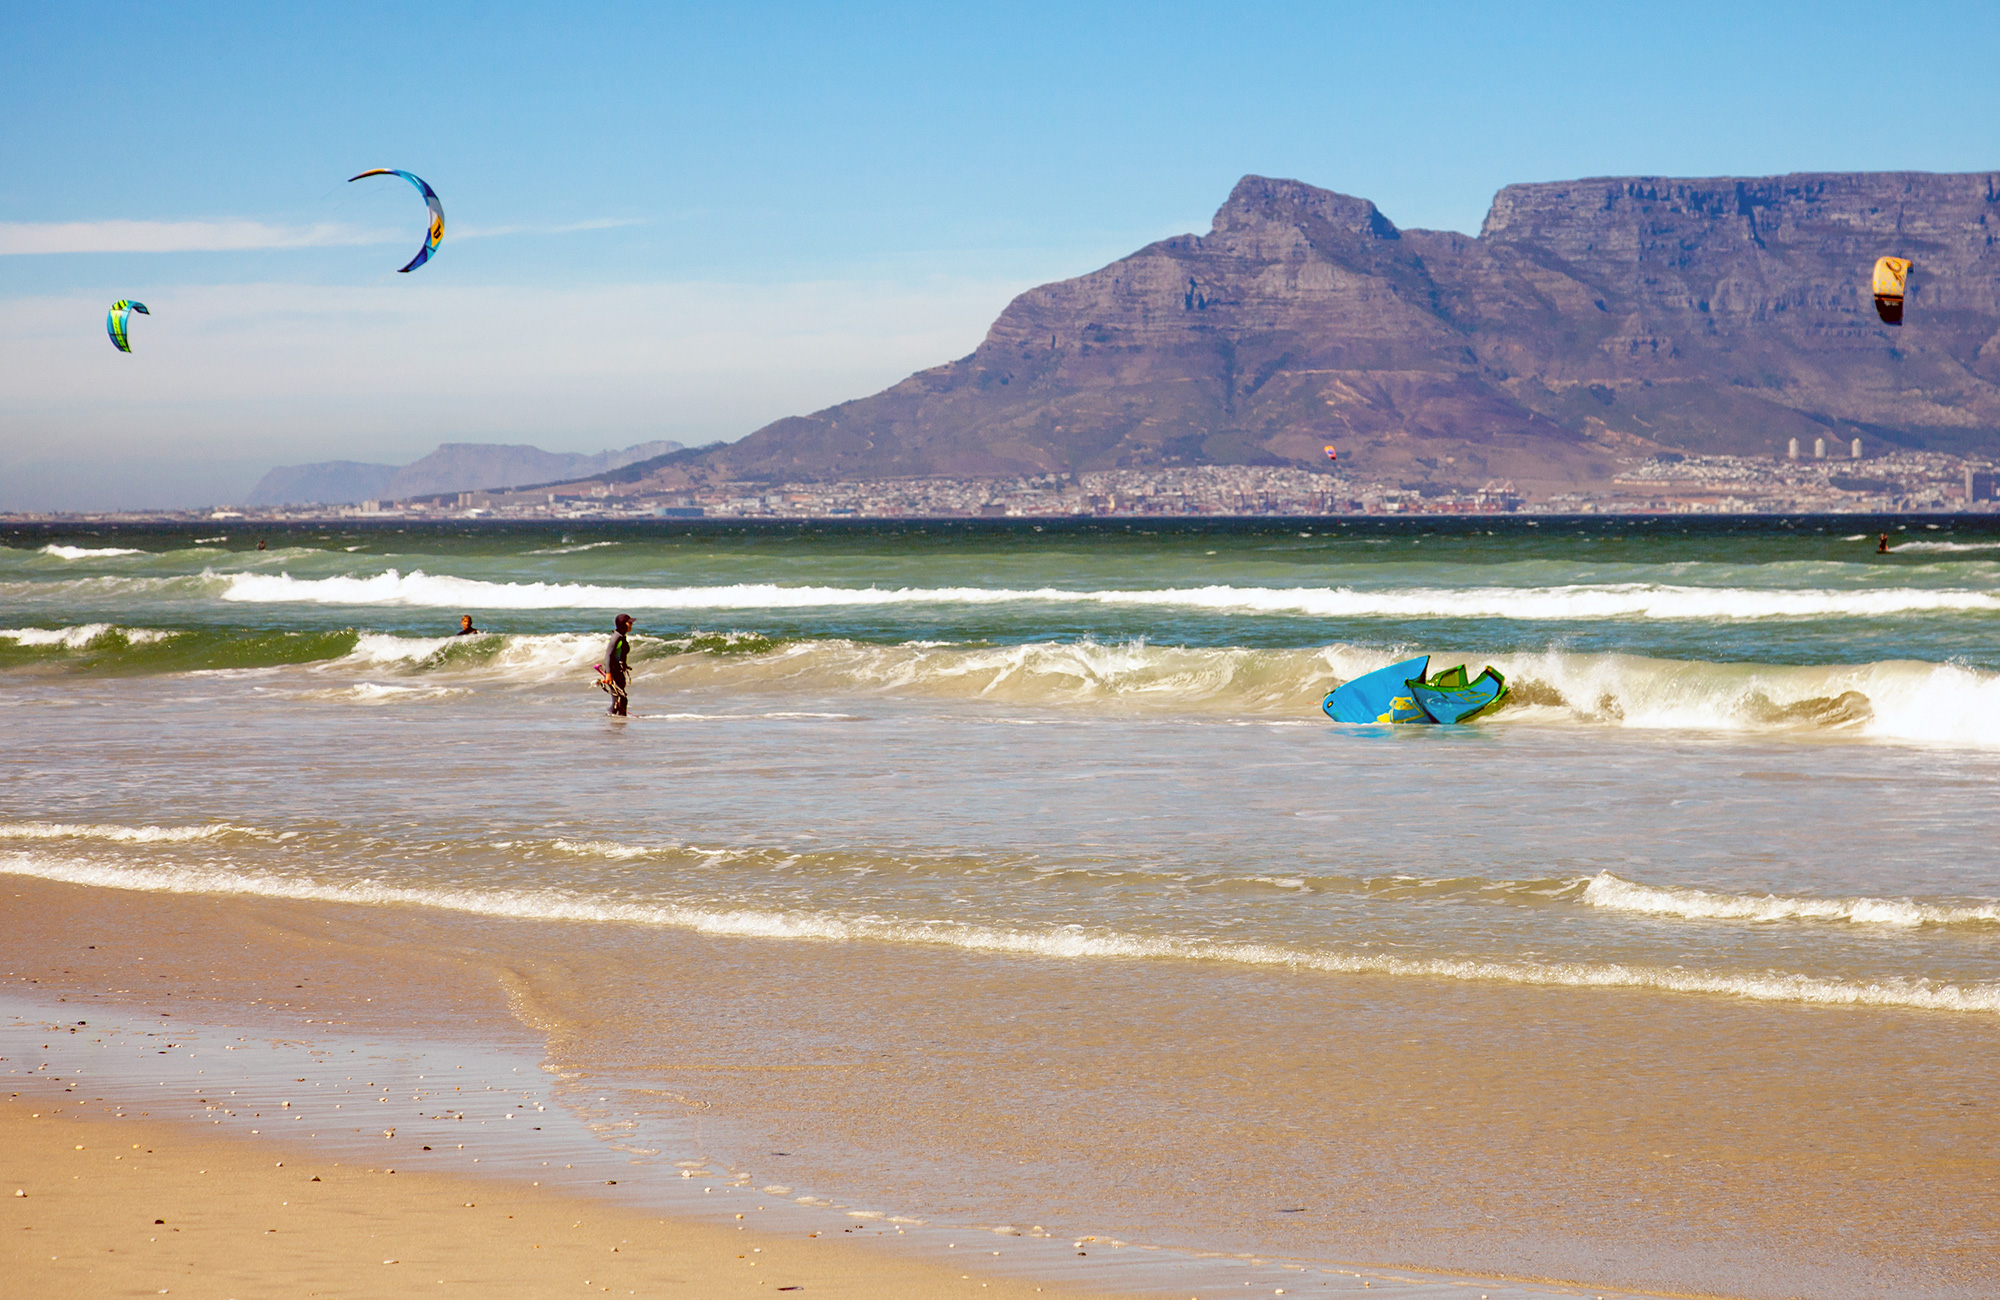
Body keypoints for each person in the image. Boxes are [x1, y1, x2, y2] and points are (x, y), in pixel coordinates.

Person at [600, 613, 633, 716]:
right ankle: (615, 722)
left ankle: (617, 723)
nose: (631, 625)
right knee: (620, 699)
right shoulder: (616, 638)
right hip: (613, 671)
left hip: (618, 670)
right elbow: (608, 655)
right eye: (629, 623)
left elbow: (619, 654)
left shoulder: (622, 637)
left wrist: (624, 665)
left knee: (620, 700)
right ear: (623, 624)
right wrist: (609, 673)